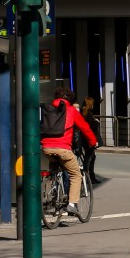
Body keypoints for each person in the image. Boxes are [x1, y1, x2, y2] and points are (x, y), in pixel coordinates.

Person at [40, 88, 98, 217]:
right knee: (75, 174)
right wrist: (93, 142)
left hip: (46, 148)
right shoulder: (71, 110)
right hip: (63, 149)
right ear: (70, 99)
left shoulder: (48, 109)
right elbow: (85, 128)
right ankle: (72, 204)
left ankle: (54, 194)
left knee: (54, 167)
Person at [80, 97, 102, 183]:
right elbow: (91, 127)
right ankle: (88, 176)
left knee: (90, 157)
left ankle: (90, 176)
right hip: (89, 139)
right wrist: (96, 122)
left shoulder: (81, 113)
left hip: (83, 139)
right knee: (89, 158)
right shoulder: (88, 114)